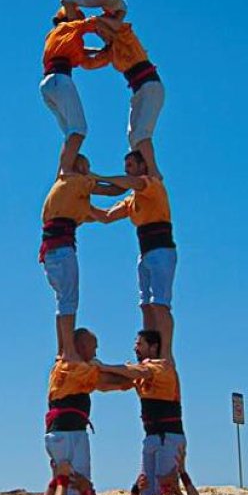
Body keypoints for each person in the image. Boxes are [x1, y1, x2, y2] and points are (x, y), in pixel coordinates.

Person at [95, 151, 177, 354]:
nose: (127, 170)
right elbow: (106, 216)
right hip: (146, 252)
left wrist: (99, 178)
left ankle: (165, 352)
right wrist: (79, 202)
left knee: (160, 304)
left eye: (131, 165)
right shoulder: (132, 200)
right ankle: (149, 347)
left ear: (142, 166)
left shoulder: (151, 184)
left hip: (161, 250)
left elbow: (132, 182)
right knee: (146, 305)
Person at [46, 327, 134, 495]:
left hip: (66, 432)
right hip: (68, 432)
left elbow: (105, 384)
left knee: (71, 482)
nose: (95, 352)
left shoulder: (78, 369)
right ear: (81, 346)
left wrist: (128, 380)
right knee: (75, 483)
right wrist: (130, 374)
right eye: (93, 348)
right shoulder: (74, 367)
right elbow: (106, 379)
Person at [41, 153, 121, 355]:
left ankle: (63, 349)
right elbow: (110, 191)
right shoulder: (75, 181)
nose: (88, 169)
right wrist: (136, 182)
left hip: (53, 251)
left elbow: (103, 216)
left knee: (64, 300)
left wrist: (129, 205)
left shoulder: (75, 198)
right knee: (68, 300)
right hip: (61, 249)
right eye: (86, 165)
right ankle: (68, 351)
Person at [98, 330, 185, 495]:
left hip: (168, 436)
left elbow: (138, 371)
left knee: (164, 492)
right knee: (147, 492)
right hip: (152, 436)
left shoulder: (162, 367)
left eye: (139, 344)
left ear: (153, 347)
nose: (135, 347)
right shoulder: (140, 372)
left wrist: (104, 366)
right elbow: (114, 383)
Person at [82, 11, 165, 181]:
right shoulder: (111, 51)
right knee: (133, 139)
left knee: (141, 133)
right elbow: (89, 64)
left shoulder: (124, 36)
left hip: (150, 86)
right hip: (139, 90)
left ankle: (154, 173)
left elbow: (119, 24)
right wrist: (75, 48)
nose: (102, 35)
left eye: (103, 31)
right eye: (99, 34)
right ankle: (140, 173)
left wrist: (93, 22)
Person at [41, 0, 111, 179]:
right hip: (60, 79)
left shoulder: (56, 36)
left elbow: (82, 56)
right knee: (79, 130)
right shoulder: (68, 28)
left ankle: (62, 174)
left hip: (49, 83)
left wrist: (102, 52)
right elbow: (88, 26)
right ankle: (65, 173)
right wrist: (112, 25)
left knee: (71, 133)